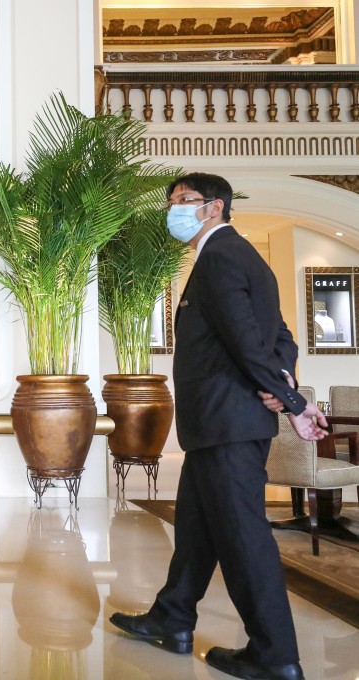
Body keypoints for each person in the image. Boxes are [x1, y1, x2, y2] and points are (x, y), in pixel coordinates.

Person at [109, 173, 327, 680]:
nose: (174, 210)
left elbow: (244, 342)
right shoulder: (243, 258)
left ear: (215, 207)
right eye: (172, 202)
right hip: (219, 423)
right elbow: (279, 335)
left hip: (227, 421)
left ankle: (275, 657)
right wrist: (283, 375)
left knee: (244, 537)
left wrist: (291, 400)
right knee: (197, 526)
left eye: (184, 202)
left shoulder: (221, 257)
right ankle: (173, 617)